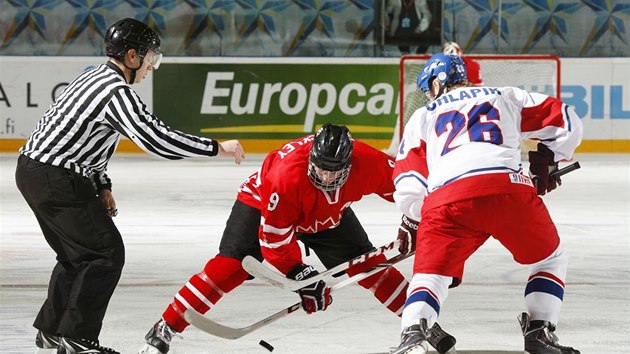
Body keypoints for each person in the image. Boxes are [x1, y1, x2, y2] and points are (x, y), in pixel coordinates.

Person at [16, 18, 245, 354]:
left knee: (76, 255)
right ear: (133, 55)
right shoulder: (115, 91)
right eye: (151, 57)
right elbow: (155, 139)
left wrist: (101, 184)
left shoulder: (93, 76)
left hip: (37, 170)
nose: (152, 66)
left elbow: (88, 141)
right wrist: (215, 147)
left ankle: (52, 330)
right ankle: (77, 339)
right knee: (104, 254)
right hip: (55, 176)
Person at [139, 124, 456, 354]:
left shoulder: (368, 161)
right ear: (311, 157)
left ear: (349, 162)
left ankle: (419, 323)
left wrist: (425, 225)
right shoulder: (286, 176)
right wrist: (301, 275)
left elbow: (412, 190)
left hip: (329, 214)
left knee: (370, 268)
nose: (328, 177)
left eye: (336, 171)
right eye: (322, 169)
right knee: (230, 266)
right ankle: (165, 327)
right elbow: (274, 241)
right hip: (264, 202)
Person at [390, 53, 583, 354]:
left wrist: (417, 218)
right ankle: (539, 330)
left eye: (429, 87)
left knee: (431, 275)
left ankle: (413, 333)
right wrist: (548, 158)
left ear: (438, 84)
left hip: (447, 203)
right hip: (508, 192)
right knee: (550, 259)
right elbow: (567, 120)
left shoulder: (424, 114)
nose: (429, 94)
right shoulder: (505, 95)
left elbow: (408, 183)